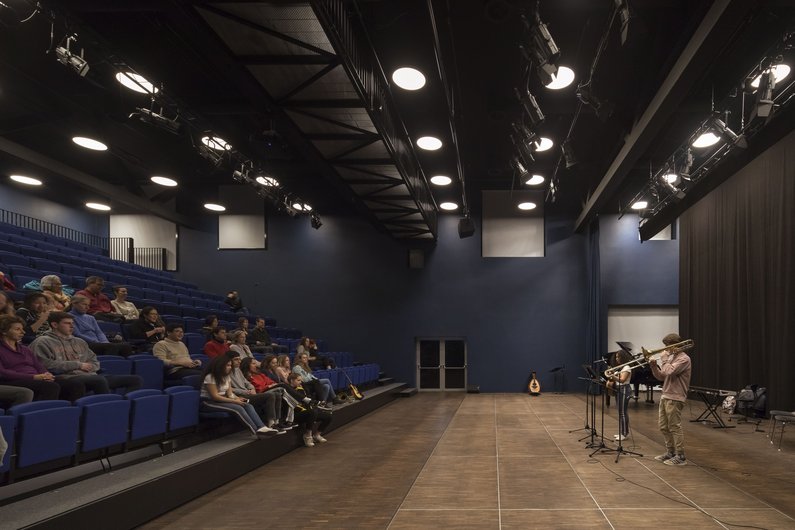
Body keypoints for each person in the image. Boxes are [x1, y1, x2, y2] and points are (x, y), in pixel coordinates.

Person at [31, 312, 143, 396]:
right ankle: (106, 410)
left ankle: (124, 408)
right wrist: (78, 365)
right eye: (67, 323)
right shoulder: (42, 342)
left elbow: (94, 360)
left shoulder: (79, 341)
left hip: (90, 375)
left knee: (135, 379)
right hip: (66, 377)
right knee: (99, 380)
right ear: (54, 325)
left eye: (72, 323)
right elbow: (45, 365)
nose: (72, 326)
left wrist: (91, 368)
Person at [199, 355, 276, 435]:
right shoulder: (210, 377)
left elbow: (230, 394)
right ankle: (256, 431)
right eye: (228, 365)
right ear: (220, 365)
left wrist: (237, 398)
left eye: (230, 365)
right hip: (209, 402)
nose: (230, 367)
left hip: (221, 400)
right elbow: (215, 396)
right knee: (238, 408)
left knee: (247, 405)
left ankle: (261, 427)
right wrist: (235, 401)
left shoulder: (226, 376)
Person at [649, 333, 692, 466]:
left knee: (674, 426)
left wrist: (664, 360)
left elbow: (670, 372)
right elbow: (662, 376)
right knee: (663, 427)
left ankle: (681, 456)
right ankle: (670, 452)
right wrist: (654, 366)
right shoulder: (672, 358)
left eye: (668, 346)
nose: (666, 349)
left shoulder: (684, 359)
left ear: (676, 345)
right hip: (665, 395)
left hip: (676, 396)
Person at [0, 315, 60, 400]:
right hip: (12, 380)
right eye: (17, 329)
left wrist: (47, 374)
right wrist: (34, 377)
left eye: (22, 329)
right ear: (4, 332)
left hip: (35, 377)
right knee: (50, 387)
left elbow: (38, 365)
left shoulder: (25, 348)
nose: (23, 332)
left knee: (71, 384)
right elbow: (3, 373)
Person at [227, 351, 285, 433]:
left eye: (239, 359)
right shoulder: (226, 372)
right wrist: (246, 391)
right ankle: (271, 424)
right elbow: (230, 389)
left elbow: (247, 383)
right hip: (239, 396)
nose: (239, 361)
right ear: (229, 360)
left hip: (249, 393)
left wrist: (252, 388)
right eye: (236, 359)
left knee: (277, 394)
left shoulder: (237, 370)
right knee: (271, 395)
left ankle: (277, 422)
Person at [69, 295, 134, 357]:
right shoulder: (69, 317)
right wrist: (96, 342)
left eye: (88, 305)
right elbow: (77, 334)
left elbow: (99, 332)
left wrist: (104, 341)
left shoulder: (91, 318)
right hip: (85, 343)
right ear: (74, 304)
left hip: (97, 342)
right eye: (84, 304)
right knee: (111, 347)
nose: (87, 307)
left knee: (126, 345)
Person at [287, 372, 332, 447]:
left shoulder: (301, 388)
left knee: (328, 416)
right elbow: (294, 405)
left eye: (300, 380)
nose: (300, 382)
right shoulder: (289, 390)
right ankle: (308, 435)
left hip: (308, 412)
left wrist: (317, 404)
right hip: (295, 414)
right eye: (298, 380)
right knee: (312, 412)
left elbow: (308, 400)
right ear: (291, 380)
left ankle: (317, 435)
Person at [606, 349, 633, 441]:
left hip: (624, 389)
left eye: (619, 357)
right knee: (620, 412)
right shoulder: (620, 367)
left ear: (624, 357)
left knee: (623, 412)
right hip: (619, 389)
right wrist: (612, 374)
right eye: (616, 357)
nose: (617, 359)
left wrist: (613, 376)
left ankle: (625, 433)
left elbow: (622, 380)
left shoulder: (626, 367)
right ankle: (622, 432)